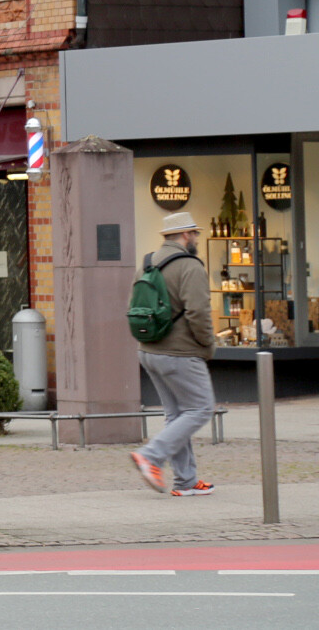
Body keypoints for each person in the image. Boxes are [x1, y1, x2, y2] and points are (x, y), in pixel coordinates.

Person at [129, 211, 216, 497]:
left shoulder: (147, 263)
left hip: (148, 350)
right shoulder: (190, 266)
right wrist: (208, 346)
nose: (196, 240)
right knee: (201, 408)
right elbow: (199, 313)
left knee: (177, 414)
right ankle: (151, 456)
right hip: (180, 353)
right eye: (196, 235)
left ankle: (186, 481)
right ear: (187, 235)